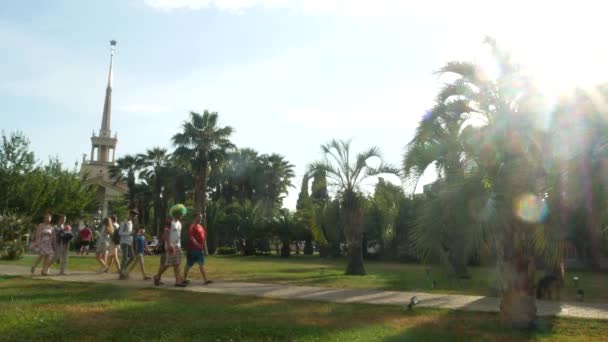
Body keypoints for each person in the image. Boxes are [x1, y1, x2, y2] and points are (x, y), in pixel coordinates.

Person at [154, 210, 186, 287]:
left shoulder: (179, 223)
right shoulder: (169, 222)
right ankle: (157, 276)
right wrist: (168, 245)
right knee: (168, 264)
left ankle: (178, 281)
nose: (182, 215)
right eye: (180, 213)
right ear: (176, 213)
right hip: (170, 246)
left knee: (177, 264)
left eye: (182, 213)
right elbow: (165, 234)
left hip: (178, 245)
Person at [183, 212, 213, 285]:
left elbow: (203, 236)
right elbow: (191, 237)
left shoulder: (200, 226)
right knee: (189, 264)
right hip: (193, 249)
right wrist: (196, 244)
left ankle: (205, 280)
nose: (200, 219)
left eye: (201, 217)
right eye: (199, 217)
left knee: (198, 264)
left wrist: (202, 246)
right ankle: (184, 279)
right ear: (195, 217)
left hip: (199, 249)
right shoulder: (192, 227)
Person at [119, 210, 137, 279]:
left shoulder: (131, 222)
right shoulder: (124, 222)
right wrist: (130, 233)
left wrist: (132, 234)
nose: (133, 217)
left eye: (134, 216)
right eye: (133, 216)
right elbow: (120, 233)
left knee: (132, 257)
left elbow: (130, 233)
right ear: (129, 214)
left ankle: (122, 270)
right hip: (124, 242)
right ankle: (122, 273)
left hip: (129, 242)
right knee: (125, 258)